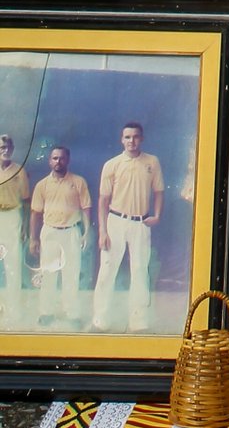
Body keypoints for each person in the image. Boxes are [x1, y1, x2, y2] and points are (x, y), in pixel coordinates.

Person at [92, 121, 163, 334]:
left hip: (140, 223)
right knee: (107, 271)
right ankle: (100, 320)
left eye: (135, 137)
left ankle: (138, 322)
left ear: (142, 138)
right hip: (115, 222)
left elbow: (159, 191)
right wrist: (103, 231)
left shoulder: (152, 162)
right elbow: (103, 201)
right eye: (127, 137)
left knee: (140, 271)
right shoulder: (111, 164)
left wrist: (157, 216)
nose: (131, 141)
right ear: (122, 139)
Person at [30, 145, 91, 330]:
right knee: (48, 274)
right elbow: (35, 213)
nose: (58, 162)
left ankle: (72, 314)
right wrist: (33, 238)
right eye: (55, 158)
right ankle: (46, 312)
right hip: (50, 232)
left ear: (68, 160)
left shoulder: (78, 182)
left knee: (71, 275)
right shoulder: (42, 185)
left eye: (62, 158)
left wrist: (85, 232)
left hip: (71, 231)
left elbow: (86, 208)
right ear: (50, 161)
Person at [0, 135, 28, 328]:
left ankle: (14, 312)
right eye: (2, 147)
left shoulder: (19, 170)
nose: (5, 150)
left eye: (8, 147)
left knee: (13, 266)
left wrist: (25, 227)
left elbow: (26, 201)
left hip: (12, 217)